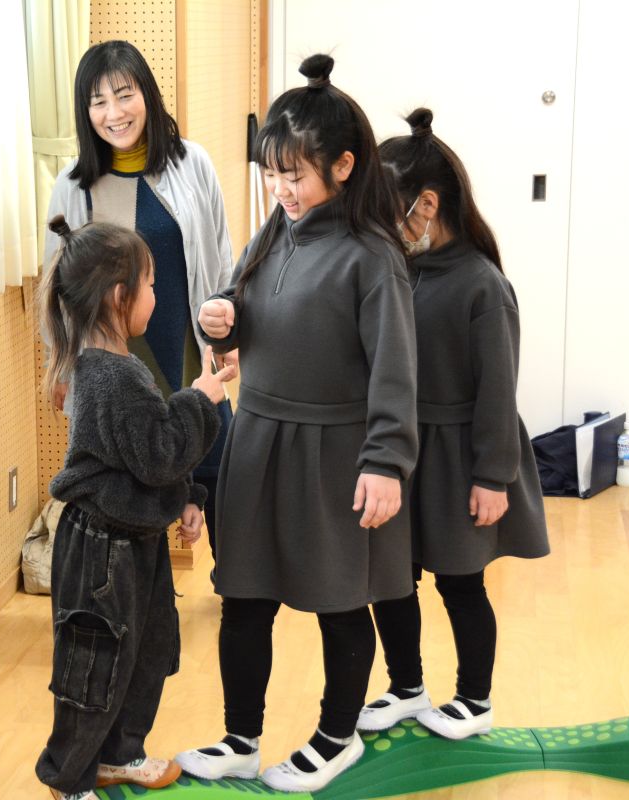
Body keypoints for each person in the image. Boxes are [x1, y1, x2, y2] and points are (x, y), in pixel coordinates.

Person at [174, 54, 419, 793]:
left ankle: (337, 738)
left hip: (335, 453)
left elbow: (395, 371)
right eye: (271, 174)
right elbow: (240, 310)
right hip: (258, 440)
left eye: (295, 175)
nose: (280, 189)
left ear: (343, 167)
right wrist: (221, 318)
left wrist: (386, 461)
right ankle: (241, 739)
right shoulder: (274, 233)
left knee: (338, 601)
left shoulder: (373, 256)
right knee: (244, 598)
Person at [356, 108, 550, 740]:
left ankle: (475, 699)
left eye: (387, 210)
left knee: (461, 585)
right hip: (404, 450)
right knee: (392, 579)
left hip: (461, 456)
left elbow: (499, 391)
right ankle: (407, 686)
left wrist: (493, 476)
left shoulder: (483, 286)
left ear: (428, 205)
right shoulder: (398, 272)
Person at [34, 216, 236, 800]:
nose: (157, 295)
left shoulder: (120, 366)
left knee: (145, 652)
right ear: (119, 297)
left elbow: (148, 448)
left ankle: (119, 755)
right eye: (150, 285)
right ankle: (69, 778)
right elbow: (159, 452)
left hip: (132, 542)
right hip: (102, 550)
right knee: (95, 663)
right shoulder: (111, 376)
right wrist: (202, 398)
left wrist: (190, 496)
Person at [45, 40, 236, 556]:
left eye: (124, 95)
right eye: (98, 102)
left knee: (217, 475)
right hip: (117, 364)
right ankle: (139, 596)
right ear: (85, 112)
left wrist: (231, 331)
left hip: (189, 347)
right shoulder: (72, 185)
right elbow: (58, 285)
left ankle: (236, 590)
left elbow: (220, 255)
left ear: (146, 95)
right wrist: (59, 364)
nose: (114, 113)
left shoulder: (192, 163)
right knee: (136, 488)